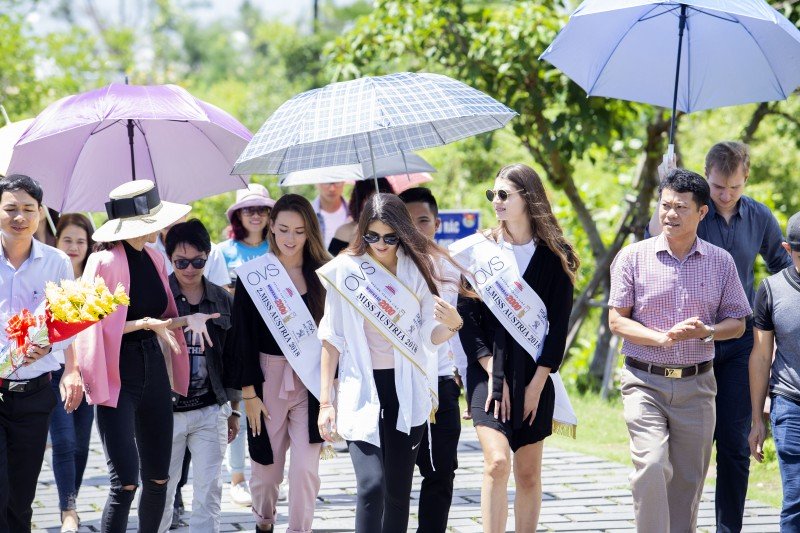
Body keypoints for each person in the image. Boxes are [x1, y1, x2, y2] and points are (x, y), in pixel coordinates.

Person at [648, 142, 792, 532]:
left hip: (739, 339)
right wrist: (669, 187)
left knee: (733, 444)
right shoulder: (694, 209)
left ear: (746, 179)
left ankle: (729, 528)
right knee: (688, 448)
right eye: (717, 187)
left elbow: (783, 266)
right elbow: (654, 235)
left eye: (734, 187)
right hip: (690, 342)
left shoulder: (759, 216)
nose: (726, 195)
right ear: (706, 179)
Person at [611, 168, 752, 532]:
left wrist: (708, 332)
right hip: (644, 382)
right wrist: (659, 338)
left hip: (698, 387)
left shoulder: (721, 262)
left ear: (702, 212)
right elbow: (617, 321)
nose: (670, 214)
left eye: (681, 207)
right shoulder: (632, 258)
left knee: (687, 485)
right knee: (653, 465)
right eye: (665, 205)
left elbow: (737, 322)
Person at [74, 179, 218, 532]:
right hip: (117, 373)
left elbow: (163, 320)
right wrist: (144, 323)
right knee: (125, 481)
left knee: (158, 478)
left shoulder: (154, 257)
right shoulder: (103, 260)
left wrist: (188, 318)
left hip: (154, 369)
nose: (161, 227)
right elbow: (92, 326)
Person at [317, 193, 464, 533]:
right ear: (361, 232)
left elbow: (428, 336)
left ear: (402, 234)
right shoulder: (344, 271)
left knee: (397, 494)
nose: (380, 244)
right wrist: (326, 402)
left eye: (389, 237)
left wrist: (453, 324)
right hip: (361, 390)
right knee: (371, 486)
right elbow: (331, 339)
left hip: (406, 391)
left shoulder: (418, 271)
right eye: (372, 236)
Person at [454, 164, 578, 533]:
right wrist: (493, 372)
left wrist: (538, 385)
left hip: (534, 373)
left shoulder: (557, 256)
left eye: (504, 194)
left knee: (527, 473)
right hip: (488, 366)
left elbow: (558, 327)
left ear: (529, 197)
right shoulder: (481, 251)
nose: (497, 202)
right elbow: (467, 317)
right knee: (496, 463)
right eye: (492, 195)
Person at [231, 194, 330, 532]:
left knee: (305, 468)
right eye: (284, 229)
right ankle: (264, 522)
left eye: (300, 231)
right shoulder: (255, 276)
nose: (291, 239)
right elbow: (241, 335)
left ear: (310, 232)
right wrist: (248, 394)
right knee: (266, 471)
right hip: (266, 376)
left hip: (311, 379)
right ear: (271, 227)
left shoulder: (323, 275)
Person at [0, 175, 83, 532]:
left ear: (39, 214)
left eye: (28, 209)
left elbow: (69, 326)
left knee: (20, 495)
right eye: (10, 209)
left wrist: (49, 346)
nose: (19, 217)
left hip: (35, 394)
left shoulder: (58, 263)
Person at [157, 219, 240, 533]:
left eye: (198, 261)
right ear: (169, 258)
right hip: (167, 411)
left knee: (209, 491)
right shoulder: (159, 297)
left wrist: (233, 410)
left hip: (210, 407)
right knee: (161, 490)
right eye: (181, 262)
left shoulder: (223, 300)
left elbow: (234, 361)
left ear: (208, 256)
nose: (190, 269)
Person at [398, 187, 462, 532]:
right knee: (395, 473)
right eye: (405, 222)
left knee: (441, 470)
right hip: (396, 381)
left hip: (440, 381)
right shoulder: (384, 269)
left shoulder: (454, 266)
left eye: (422, 220)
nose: (415, 229)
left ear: (437, 223)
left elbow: (466, 326)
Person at [218, 182, 276, 505]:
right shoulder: (222, 251)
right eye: (249, 209)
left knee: (272, 408)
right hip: (234, 340)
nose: (256, 215)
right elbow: (213, 292)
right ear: (238, 214)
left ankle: (267, 474)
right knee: (238, 406)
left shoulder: (277, 248)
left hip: (272, 340)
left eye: (262, 209)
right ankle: (237, 476)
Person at [748, 211, 800, 532]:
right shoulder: (771, 290)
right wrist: (757, 418)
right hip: (790, 405)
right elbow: (761, 355)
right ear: (786, 248)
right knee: (796, 498)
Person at [51, 213, 95, 533]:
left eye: (81, 241)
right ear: (56, 241)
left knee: (81, 445)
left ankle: (72, 503)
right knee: (64, 442)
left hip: (90, 373)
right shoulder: (49, 279)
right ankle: (67, 509)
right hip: (54, 373)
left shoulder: (96, 284)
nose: (74, 246)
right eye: (68, 240)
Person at [327, 178, 392, 256]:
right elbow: (332, 265)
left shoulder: (396, 230)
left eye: (382, 199)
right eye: (370, 200)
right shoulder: (345, 231)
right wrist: (353, 245)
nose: (378, 206)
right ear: (360, 202)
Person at [312, 181, 349, 249]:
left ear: (344, 182)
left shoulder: (356, 213)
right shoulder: (307, 214)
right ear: (317, 183)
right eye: (326, 182)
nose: (332, 188)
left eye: (337, 182)